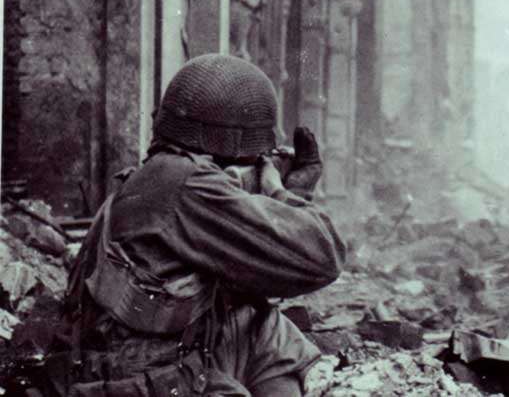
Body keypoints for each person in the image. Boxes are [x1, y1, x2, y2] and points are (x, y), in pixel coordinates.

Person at [47, 54, 345, 396]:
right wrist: (277, 191)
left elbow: (267, 270)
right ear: (231, 153)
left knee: (264, 328)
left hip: (159, 361)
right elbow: (324, 257)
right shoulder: (187, 183)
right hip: (136, 379)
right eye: (258, 159)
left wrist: (293, 191)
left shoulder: (162, 174)